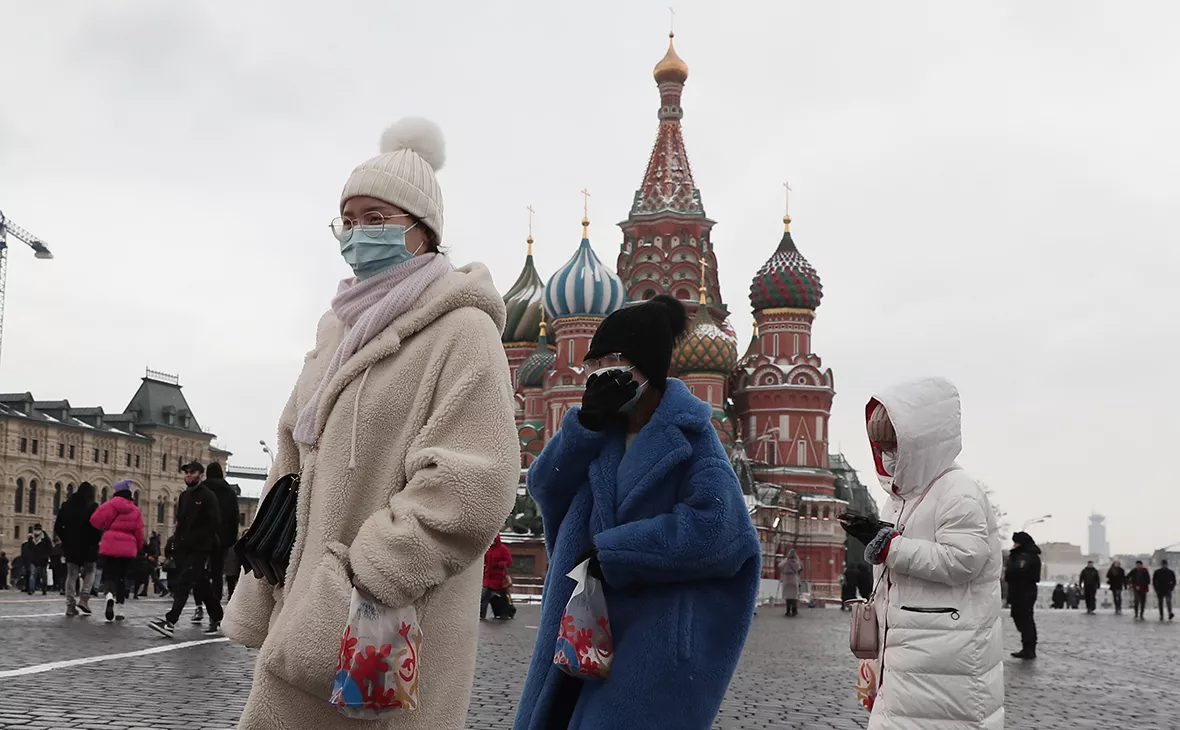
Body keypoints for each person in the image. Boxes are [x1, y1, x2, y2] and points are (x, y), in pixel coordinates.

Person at [222, 117, 519, 730]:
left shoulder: (462, 330)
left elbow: (472, 483)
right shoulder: (338, 329)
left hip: (387, 615)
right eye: (347, 219)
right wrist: (273, 571)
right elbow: (294, 455)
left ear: (422, 229)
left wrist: (363, 580)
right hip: (305, 599)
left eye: (376, 217)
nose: (357, 233)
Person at [514, 294, 762, 730]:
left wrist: (616, 553)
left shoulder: (690, 437)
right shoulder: (598, 433)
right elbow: (545, 488)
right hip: (577, 628)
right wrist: (582, 428)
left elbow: (723, 533)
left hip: (651, 640)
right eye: (594, 361)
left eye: (613, 359)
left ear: (645, 366)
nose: (598, 371)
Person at [855, 378, 1004, 729]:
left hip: (945, 651)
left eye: (893, 445)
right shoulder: (900, 497)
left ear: (920, 443)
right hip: (907, 646)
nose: (887, 455)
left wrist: (889, 545)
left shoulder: (958, 490)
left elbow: (963, 560)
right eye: (881, 446)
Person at [149, 461, 222, 637]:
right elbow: (180, 523)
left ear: (201, 475)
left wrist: (203, 542)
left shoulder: (207, 496)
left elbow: (215, 523)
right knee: (201, 584)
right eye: (187, 472)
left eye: (192, 472)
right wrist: (175, 544)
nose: (188, 475)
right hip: (183, 549)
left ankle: (170, 621)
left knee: (184, 584)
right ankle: (218, 617)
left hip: (200, 548)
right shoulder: (184, 496)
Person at [90, 480, 145, 622]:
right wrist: (137, 547)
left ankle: (109, 596)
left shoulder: (109, 505)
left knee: (109, 575)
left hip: (109, 545)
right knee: (122, 577)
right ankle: (120, 609)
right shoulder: (136, 510)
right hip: (128, 548)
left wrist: (105, 526)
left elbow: (94, 521)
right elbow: (139, 533)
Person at [54, 481, 101, 616]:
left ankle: (70, 605)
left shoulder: (66, 506)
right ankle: (84, 598)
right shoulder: (93, 506)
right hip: (89, 545)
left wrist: (66, 539)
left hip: (71, 546)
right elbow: (97, 527)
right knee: (90, 571)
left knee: (71, 574)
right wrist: (95, 542)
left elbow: (58, 527)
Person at [202, 462, 240, 604]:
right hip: (222, 540)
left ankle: (201, 602)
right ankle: (216, 601)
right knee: (217, 573)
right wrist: (231, 539)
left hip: (202, 538)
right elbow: (235, 517)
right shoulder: (229, 492)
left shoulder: (202, 489)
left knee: (201, 571)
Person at [1005, 531, 1042, 659]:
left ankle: (1029, 649)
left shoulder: (1026, 556)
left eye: (1016, 543)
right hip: (1019, 591)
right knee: (1019, 617)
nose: (1014, 545)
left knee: (1025, 620)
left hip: (1024, 591)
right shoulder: (1022, 555)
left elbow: (1018, 571)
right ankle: (1027, 646)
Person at [481, 534, 513, 620]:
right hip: (488, 578)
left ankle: (506, 613)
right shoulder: (488, 549)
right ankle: (481, 615)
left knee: (502, 598)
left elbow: (509, 562)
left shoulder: (503, 549)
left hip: (499, 578)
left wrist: (499, 564)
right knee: (484, 597)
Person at [779, 549, 804, 617]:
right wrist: (797, 559)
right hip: (794, 580)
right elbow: (800, 568)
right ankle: (794, 611)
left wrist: (786, 559)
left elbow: (779, 566)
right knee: (794, 596)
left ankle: (787, 611)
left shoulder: (785, 562)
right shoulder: (796, 562)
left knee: (788, 596)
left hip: (786, 581)